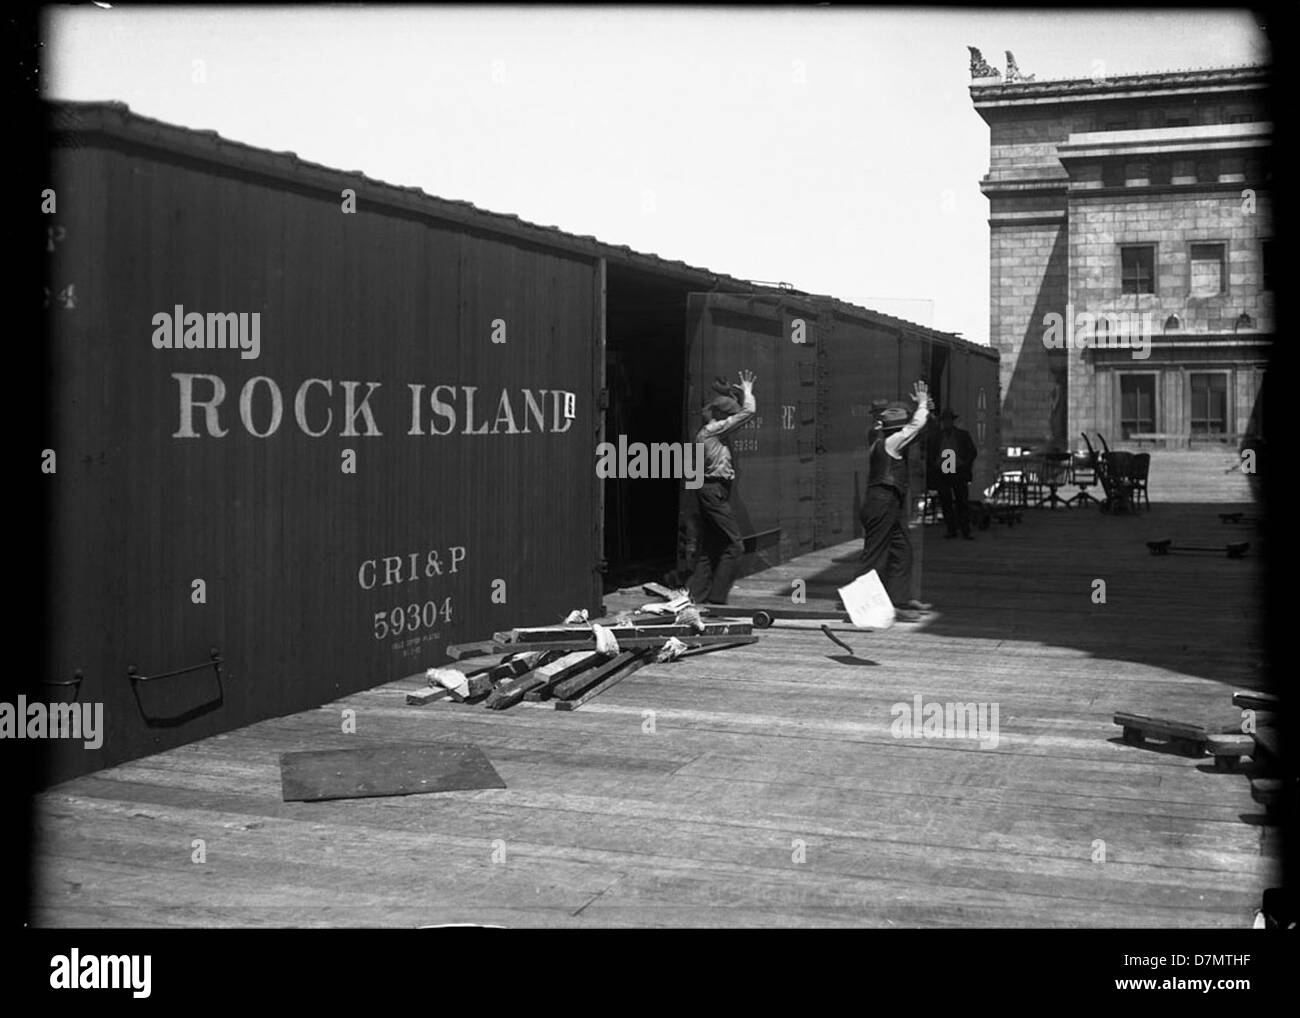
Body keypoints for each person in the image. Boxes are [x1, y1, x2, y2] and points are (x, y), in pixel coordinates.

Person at [858, 379, 932, 612]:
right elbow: (916, 427)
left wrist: (925, 409)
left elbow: (917, 430)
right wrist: (922, 405)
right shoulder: (892, 442)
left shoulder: (882, 438)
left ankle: (899, 600)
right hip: (882, 502)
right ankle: (860, 605)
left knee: (902, 550)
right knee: (874, 554)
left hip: (888, 502)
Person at [686, 370, 757, 606]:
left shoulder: (709, 429)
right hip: (714, 490)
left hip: (710, 489)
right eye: (728, 416)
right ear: (719, 416)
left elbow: (734, 411)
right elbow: (747, 412)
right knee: (735, 545)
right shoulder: (712, 431)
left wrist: (730, 393)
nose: (733, 422)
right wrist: (747, 391)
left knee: (711, 545)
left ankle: (695, 595)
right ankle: (717, 598)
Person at [935, 409, 979, 540]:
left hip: (958, 472)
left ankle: (965, 530)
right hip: (943, 473)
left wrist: (964, 464)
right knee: (946, 503)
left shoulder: (962, 435)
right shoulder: (938, 436)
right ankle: (951, 530)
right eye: (944, 420)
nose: (946, 423)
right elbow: (932, 452)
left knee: (962, 503)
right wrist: (935, 463)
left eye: (948, 420)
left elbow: (972, 452)